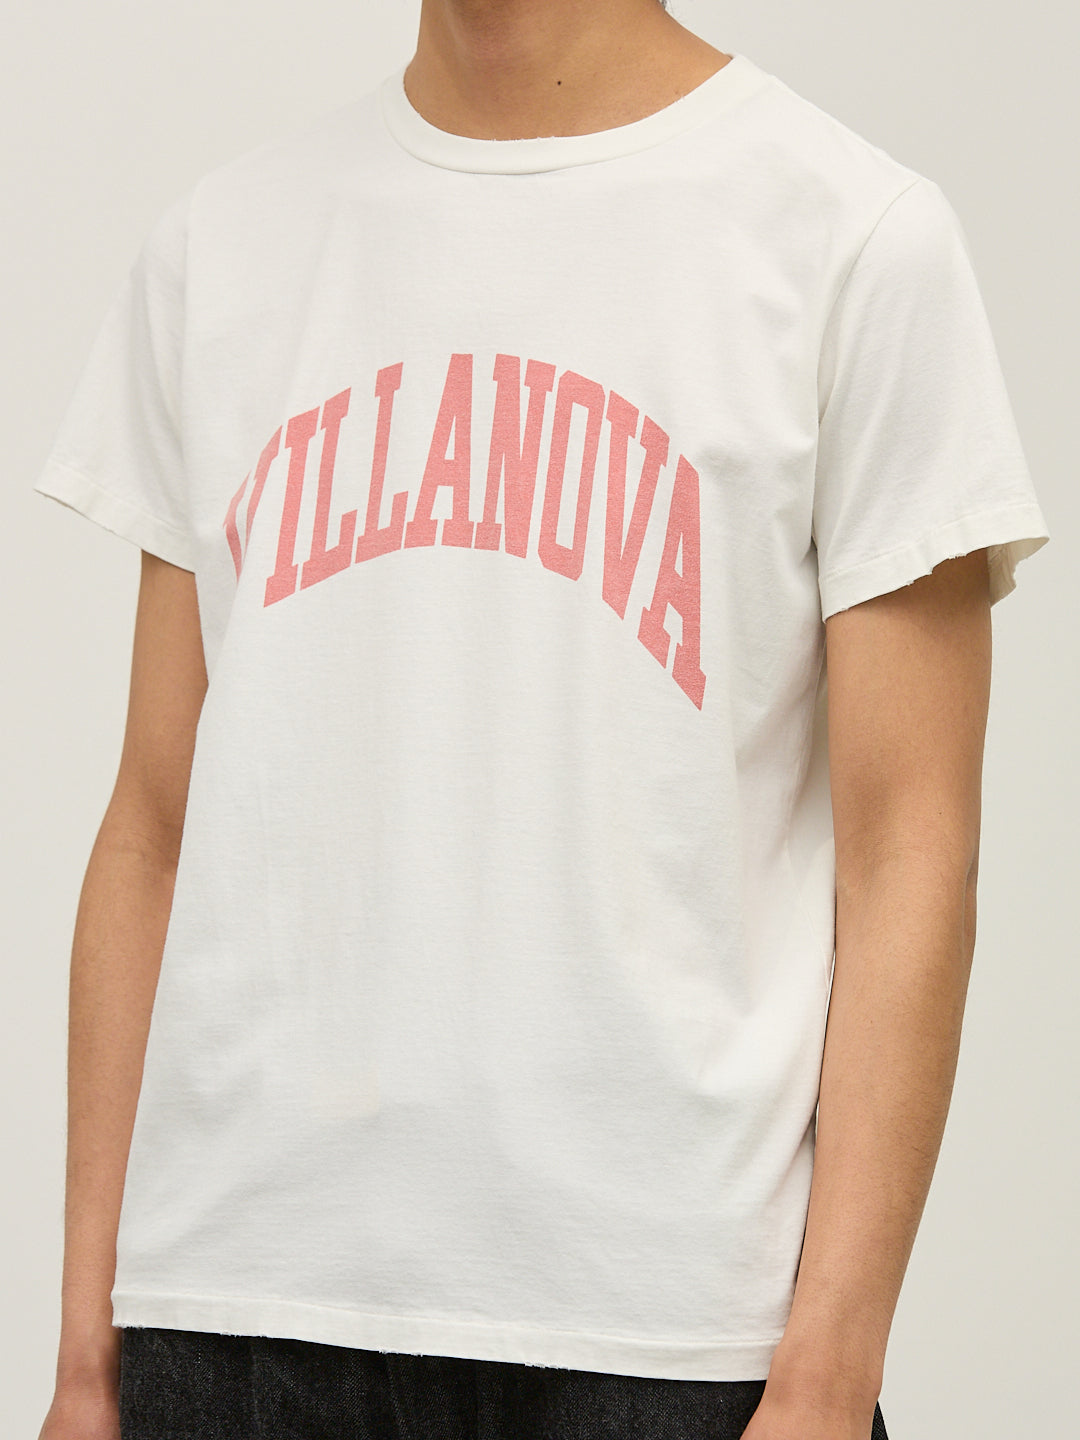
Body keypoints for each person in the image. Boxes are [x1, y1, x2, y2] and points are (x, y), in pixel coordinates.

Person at [32, 1, 1050, 1438]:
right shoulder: (221, 248)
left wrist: (830, 1375)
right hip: (231, 1313)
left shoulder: (853, 239)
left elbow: (913, 851)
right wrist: (87, 1359)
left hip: (668, 1338)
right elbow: (152, 825)